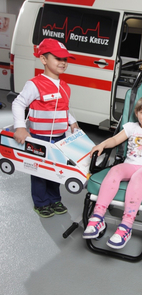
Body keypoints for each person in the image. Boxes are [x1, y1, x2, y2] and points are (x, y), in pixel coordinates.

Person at [82, 96, 142, 250]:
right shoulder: (131, 127)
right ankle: (97, 217)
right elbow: (115, 140)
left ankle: (126, 225)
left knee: (138, 177)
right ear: (136, 113)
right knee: (114, 170)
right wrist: (102, 145)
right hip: (130, 164)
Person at [12, 38, 79, 218]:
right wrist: (20, 127)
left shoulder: (65, 86)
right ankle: (41, 203)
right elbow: (18, 104)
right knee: (39, 170)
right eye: (58, 58)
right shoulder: (35, 84)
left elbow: (62, 109)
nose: (63, 63)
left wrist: (72, 121)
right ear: (43, 59)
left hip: (59, 138)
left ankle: (54, 199)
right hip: (39, 138)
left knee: (55, 170)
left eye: (65, 59)